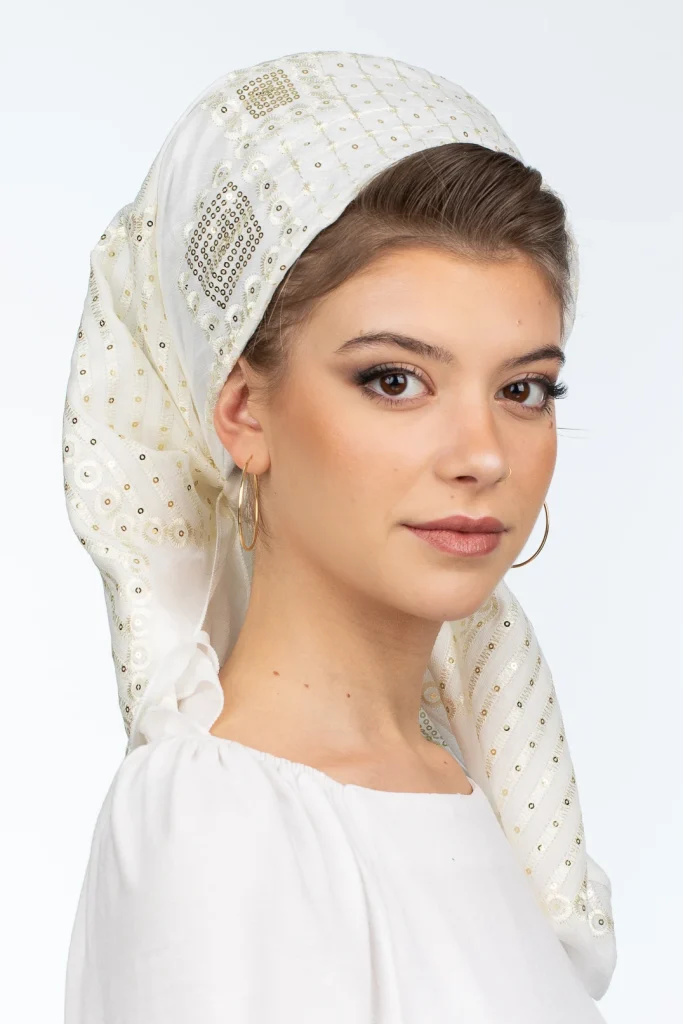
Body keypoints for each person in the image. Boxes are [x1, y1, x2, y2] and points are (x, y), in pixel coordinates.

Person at [62, 49, 616, 1023]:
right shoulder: (217, 820)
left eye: (522, 388)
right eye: (394, 380)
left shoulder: (468, 789)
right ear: (243, 412)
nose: (481, 454)